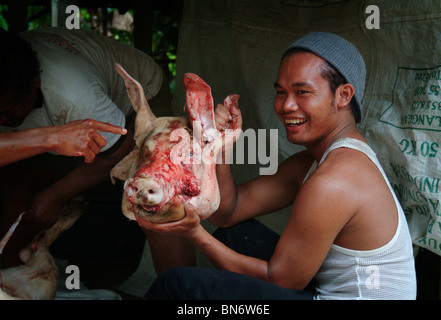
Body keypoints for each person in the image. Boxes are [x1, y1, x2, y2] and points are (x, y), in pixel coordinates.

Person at [142, 32, 417, 300]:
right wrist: (220, 147)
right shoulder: (314, 162)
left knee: (175, 284)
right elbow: (228, 212)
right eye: (281, 92)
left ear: (343, 96)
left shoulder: (336, 179)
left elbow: (281, 280)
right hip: (315, 290)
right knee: (237, 236)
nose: (287, 105)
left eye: (303, 92)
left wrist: (194, 234)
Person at [0, 27, 187, 271]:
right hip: (63, 119)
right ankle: (7, 271)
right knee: (16, 185)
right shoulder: (28, 102)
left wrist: (57, 194)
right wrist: (49, 140)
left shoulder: (74, 96)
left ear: (34, 85)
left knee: (156, 191)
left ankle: (179, 290)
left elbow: (119, 152)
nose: (1, 120)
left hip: (137, 98)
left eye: (6, 111)